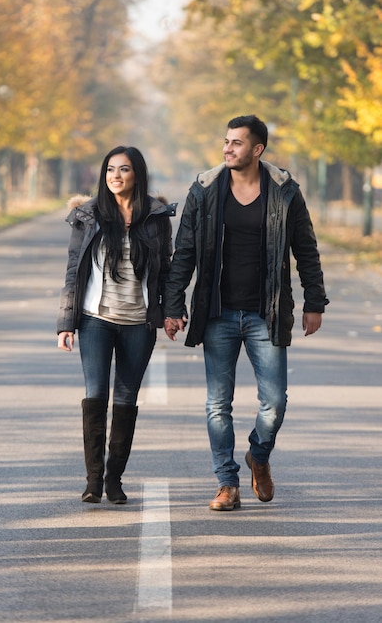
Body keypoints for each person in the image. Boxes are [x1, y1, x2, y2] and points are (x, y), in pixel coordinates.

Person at [164, 115, 329, 511]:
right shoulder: (204, 190)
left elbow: (305, 248)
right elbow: (184, 250)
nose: (227, 148)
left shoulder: (284, 191)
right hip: (218, 312)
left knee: (274, 402)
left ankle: (258, 454)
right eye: (226, 141)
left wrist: (315, 302)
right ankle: (227, 483)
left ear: (257, 149)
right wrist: (173, 304)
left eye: (236, 143)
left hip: (265, 313)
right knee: (217, 403)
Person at [57, 145, 175, 504]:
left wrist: (170, 311)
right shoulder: (88, 215)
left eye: (123, 169)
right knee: (96, 395)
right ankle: (93, 481)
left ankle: (114, 480)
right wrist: (66, 322)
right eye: (110, 170)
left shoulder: (155, 218)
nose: (115, 176)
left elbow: (167, 271)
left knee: (126, 399)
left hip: (138, 322)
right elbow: (73, 270)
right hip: (96, 320)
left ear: (137, 175)